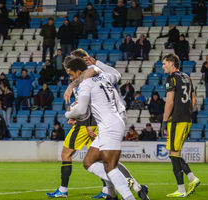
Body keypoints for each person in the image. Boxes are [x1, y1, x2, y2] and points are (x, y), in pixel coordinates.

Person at [48, 50, 149, 200]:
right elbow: (114, 75)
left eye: (70, 70)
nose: (69, 73)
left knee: (94, 161)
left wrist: (71, 114)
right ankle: (121, 190)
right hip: (114, 118)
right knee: (98, 160)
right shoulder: (101, 73)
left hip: (102, 121)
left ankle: (127, 190)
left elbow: (84, 108)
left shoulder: (85, 81)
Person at [64, 57, 137, 200]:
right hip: (111, 124)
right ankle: (113, 194)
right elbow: (117, 73)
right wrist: (97, 63)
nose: (72, 79)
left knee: (110, 167)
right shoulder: (104, 76)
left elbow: (81, 110)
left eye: (72, 74)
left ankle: (128, 193)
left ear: (79, 71)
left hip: (109, 125)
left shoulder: (86, 84)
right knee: (89, 162)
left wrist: (68, 114)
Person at [161, 54, 199, 197]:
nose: (163, 66)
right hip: (186, 119)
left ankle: (183, 188)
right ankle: (190, 179)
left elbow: (169, 102)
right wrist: (187, 111)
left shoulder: (171, 78)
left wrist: (164, 121)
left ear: (172, 63)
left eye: (164, 63)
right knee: (173, 154)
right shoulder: (188, 78)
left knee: (174, 154)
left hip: (176, 120)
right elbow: (194, 99)